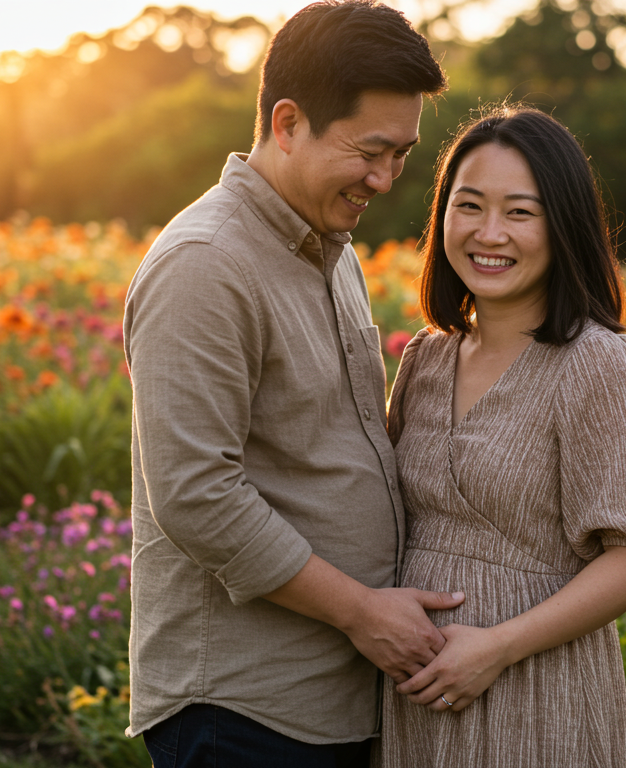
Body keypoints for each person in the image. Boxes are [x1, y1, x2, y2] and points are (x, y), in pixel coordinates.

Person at [122, 3, 463, 766]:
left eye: (402, 153)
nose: (386, 178)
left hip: (331, 694)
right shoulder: (207, 263)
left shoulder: (331, 246)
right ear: (286, 122)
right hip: (244, 705)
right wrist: (361, 612)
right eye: (370, 151)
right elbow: (195, 493)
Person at [378, 106, 626, 767]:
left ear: (563, 226)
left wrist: (497, 647)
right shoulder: (426, 360)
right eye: (469, 206)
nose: (489, 233)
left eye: (520, 212)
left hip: (536, 692)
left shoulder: (600, 363)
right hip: (415, 699)